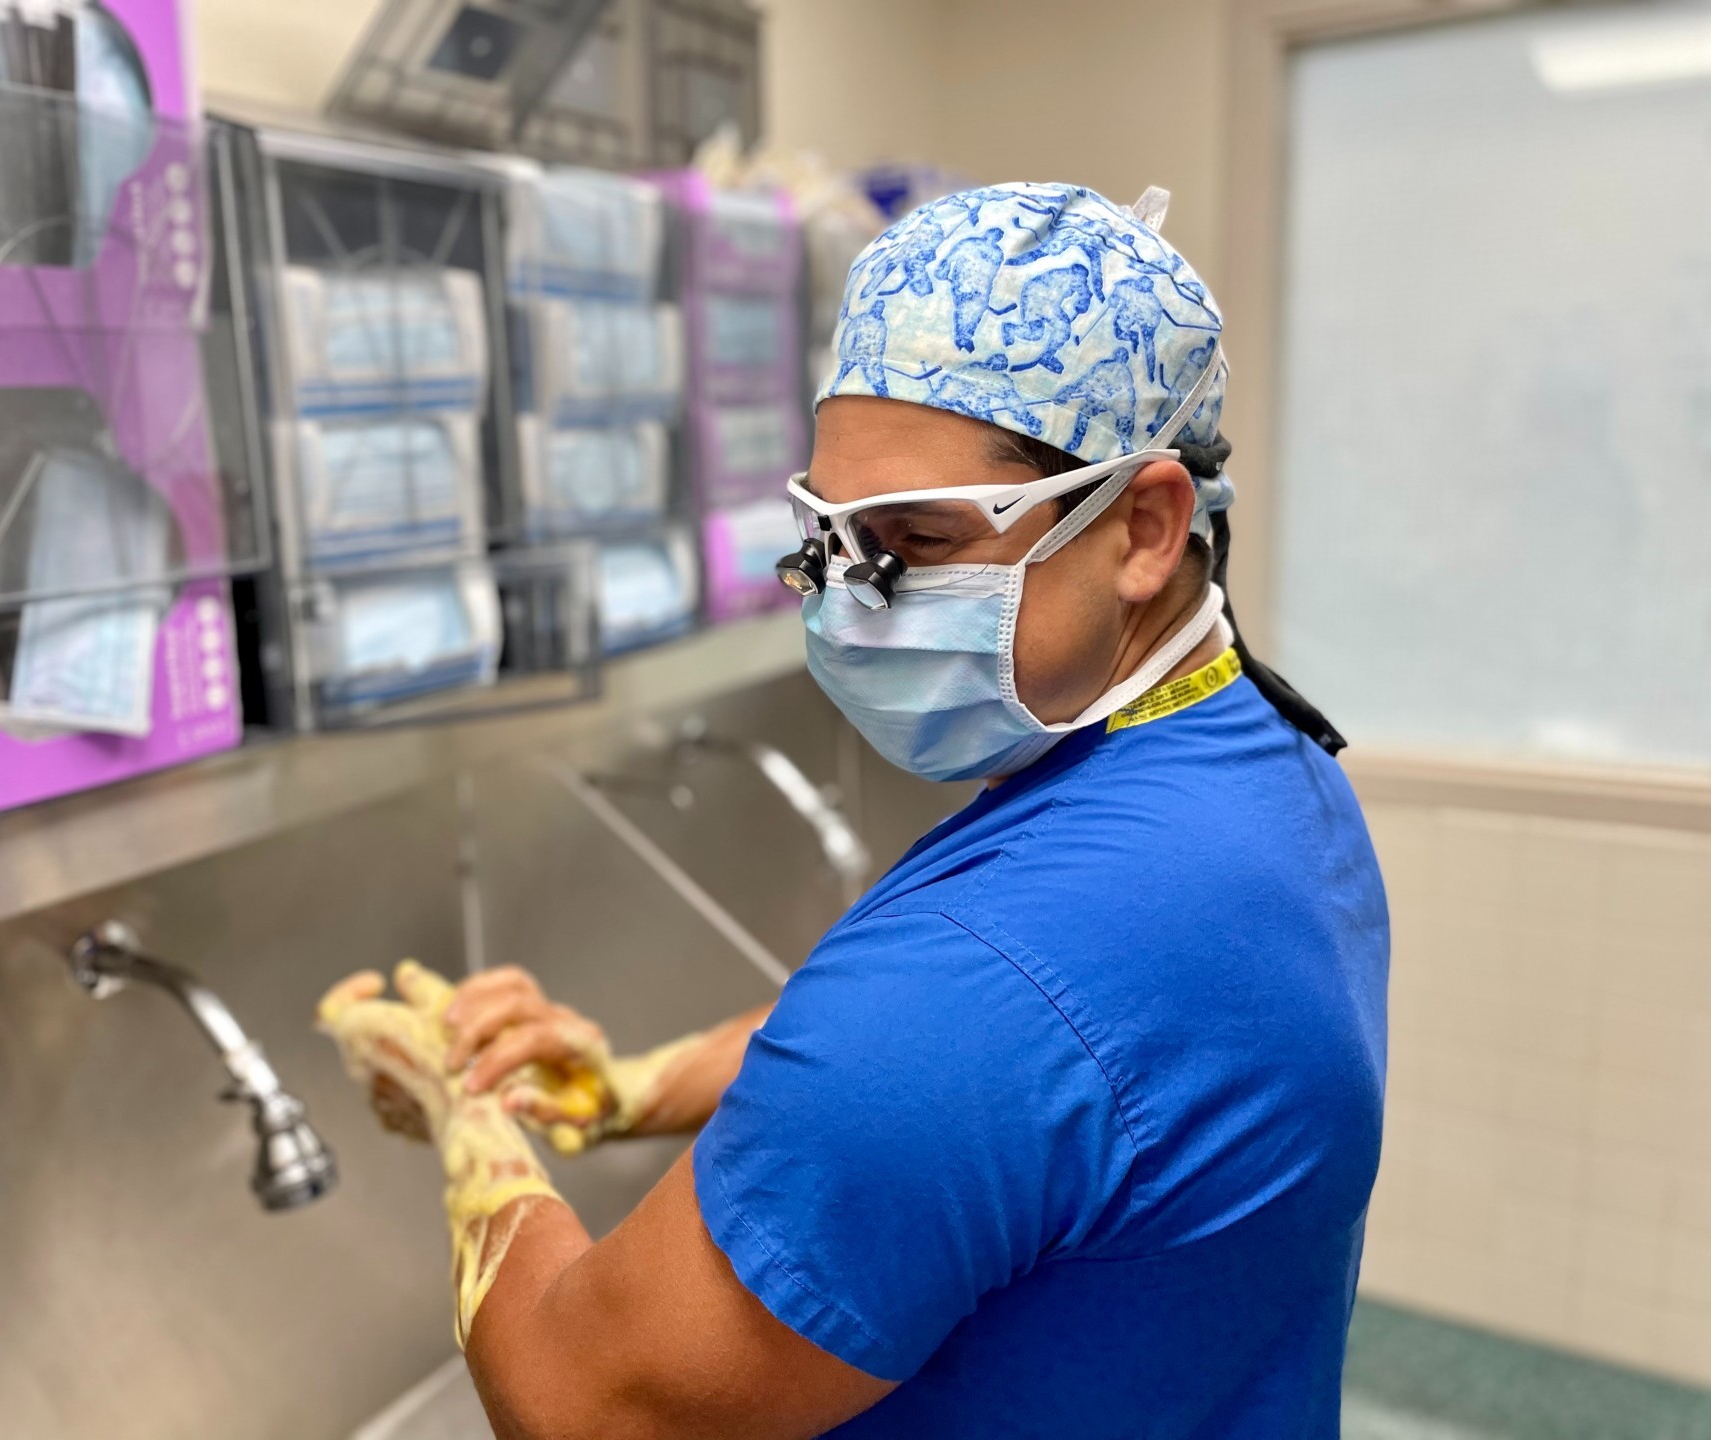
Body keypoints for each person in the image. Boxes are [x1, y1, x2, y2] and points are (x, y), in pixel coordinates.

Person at [318, 181, 1390, 1439]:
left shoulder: (989, 978)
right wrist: (624, 1085)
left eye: (918, 544)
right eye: (827, 543)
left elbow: (579, 1402)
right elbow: (1014, 1087)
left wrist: (468, 1114)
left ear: (1145, 525)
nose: (850, 609)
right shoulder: (1263, 769)